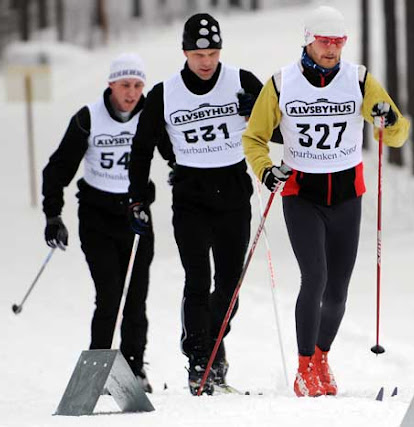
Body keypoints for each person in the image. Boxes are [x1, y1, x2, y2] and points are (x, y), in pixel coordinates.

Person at [243, 6, 410, 397]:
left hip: (347, 196)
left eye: (338, 42)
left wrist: (388, 121)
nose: (332, 49)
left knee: (337, 289)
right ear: (308, 41)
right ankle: (303, 368)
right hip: (303, 194)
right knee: (314, 277)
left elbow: (397, 133)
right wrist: (266, 170)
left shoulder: (359, 79)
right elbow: (254, 138)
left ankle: (321, 358)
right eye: (324, 41)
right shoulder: (282, 83)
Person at [128, 13, 276, 396]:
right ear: (185, 53)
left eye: (212, 53)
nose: (206, 62)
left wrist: (256, 112)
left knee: (229, 286)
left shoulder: (241, 81)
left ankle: (207, 345)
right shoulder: (165, 93)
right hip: (190, 195)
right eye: (198, 55)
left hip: (233, 193)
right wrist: (137, 197)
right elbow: (141, 148)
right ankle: (200, 361)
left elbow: (280, 129)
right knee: (197, 279)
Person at [42, 53, 155, 393]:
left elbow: (176, 153)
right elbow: (57, 169)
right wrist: (53, 215)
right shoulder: (88, 118)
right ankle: (98, 369)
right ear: (111, 85)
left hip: (136, 216)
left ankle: (134, 368)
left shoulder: (150, 114)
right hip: (97, 217)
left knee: (135, 299)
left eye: (137, 85)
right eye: (125, 85)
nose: (131, 93)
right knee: (109, 296)